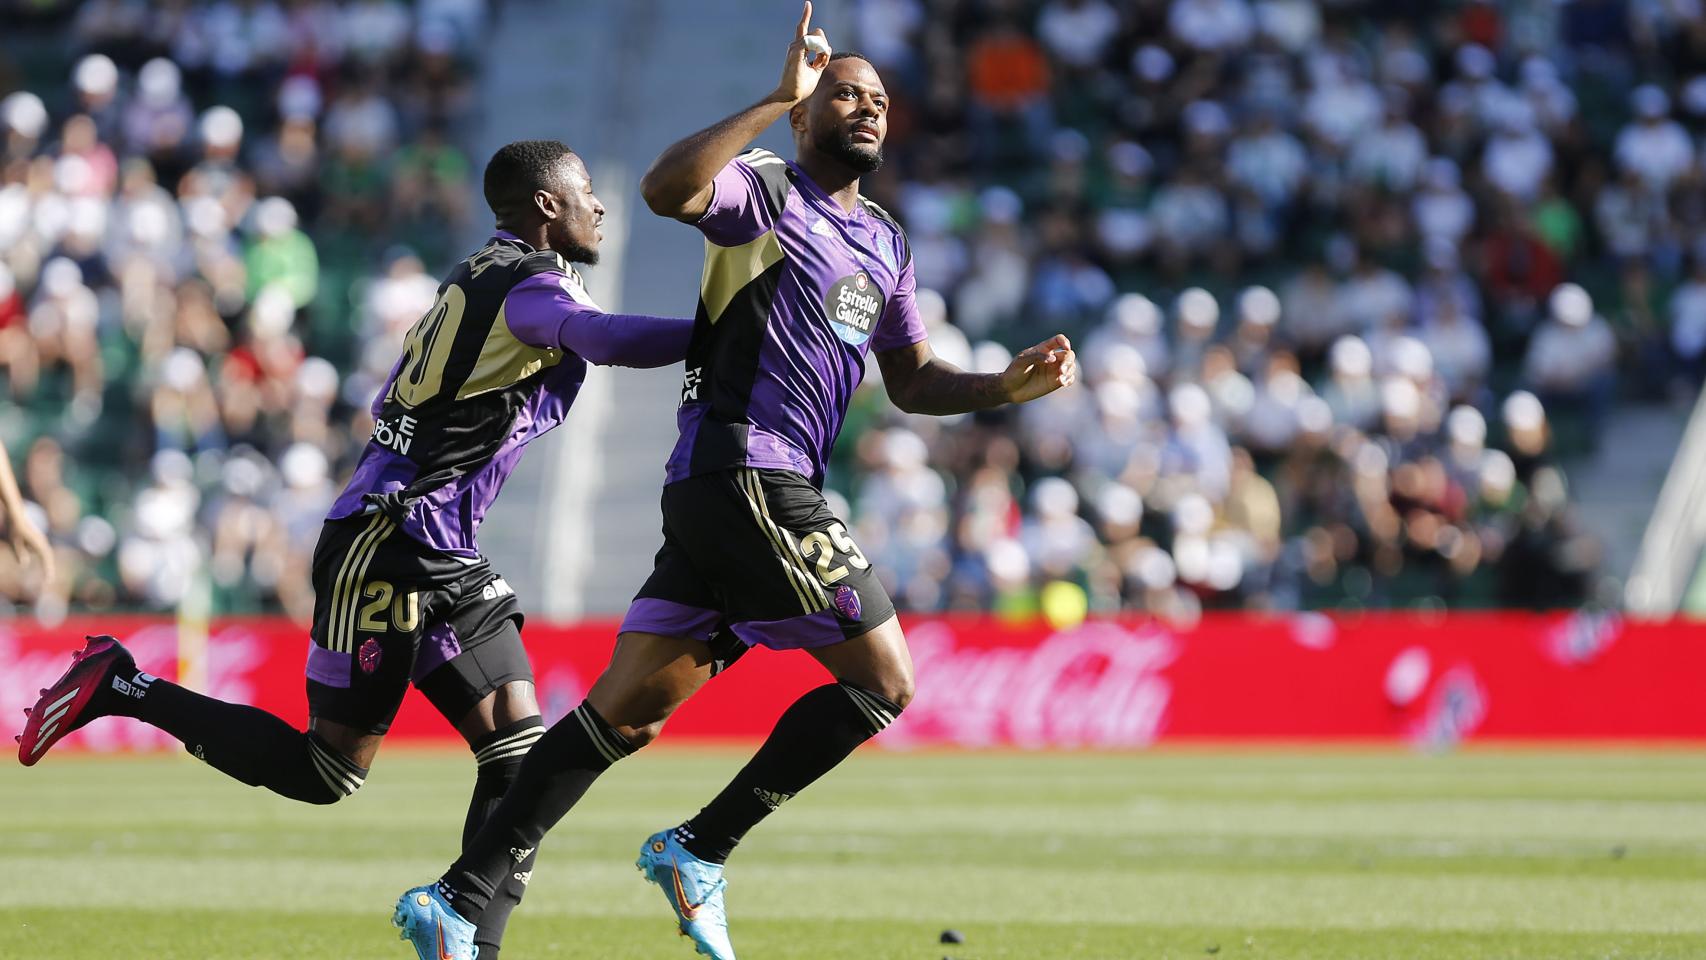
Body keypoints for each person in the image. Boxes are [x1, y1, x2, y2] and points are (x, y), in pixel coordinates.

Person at [391, 6, 1079, 960]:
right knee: (884, 683)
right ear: (806, 116)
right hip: (751, 470)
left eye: (880, 99)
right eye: (847, 93)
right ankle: (700, 848)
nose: (869, 107)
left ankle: (458, 900)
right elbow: (670, 189)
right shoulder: (766, 192)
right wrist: (771, 97)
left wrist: (1003, 385)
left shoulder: (886, 241)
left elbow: (913, 382)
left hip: (725, 492)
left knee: (619, 717)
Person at [16, 139, 717, 960]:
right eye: (588, 189)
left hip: (439, 542)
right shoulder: (530, 284)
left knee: (518, 750)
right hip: (389, 540)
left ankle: (467, 940)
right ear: (547, 205)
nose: (601, 205)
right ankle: (123, 684)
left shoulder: (485, 272)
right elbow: (600, 337)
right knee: (330, 772)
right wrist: (720, 331)